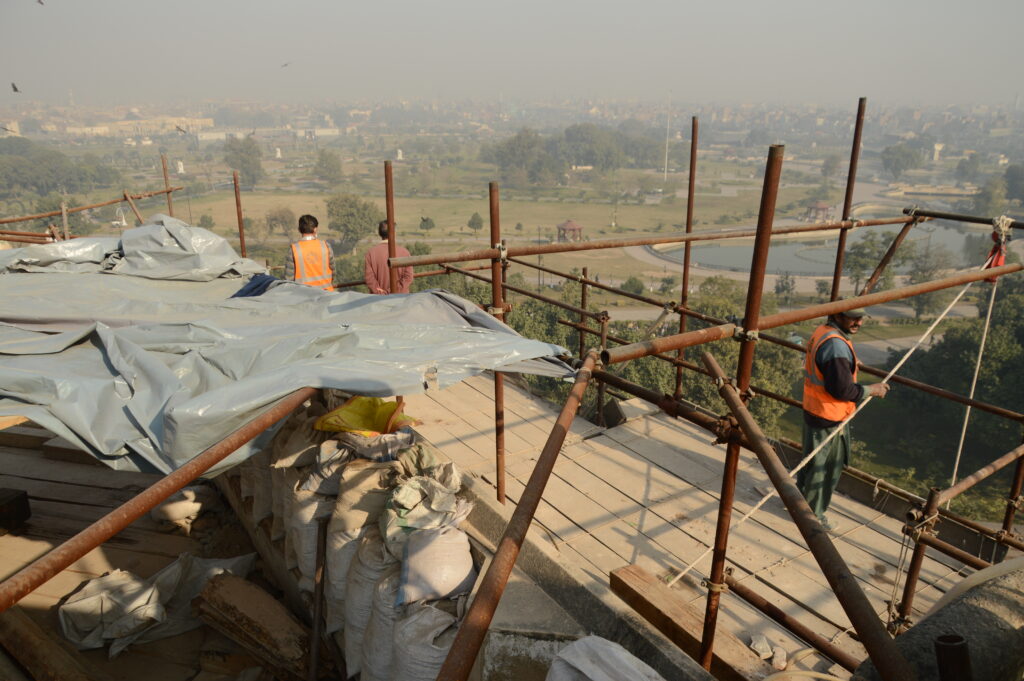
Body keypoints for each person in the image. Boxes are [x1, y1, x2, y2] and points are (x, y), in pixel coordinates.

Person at [798, 307, 889, 531]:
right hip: (829, 415)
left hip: (815, 408)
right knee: (826, 468)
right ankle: (812, 516)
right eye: (853, 318)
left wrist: (845, 368)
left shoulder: (823, 332)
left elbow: (829, 369)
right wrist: (872, 390)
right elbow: (842, 390)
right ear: (838, 316)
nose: (858, 322)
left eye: (861, 318)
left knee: (811, 461)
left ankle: (799, 501)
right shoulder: (836, 345)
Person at [285, 214, 335, 291]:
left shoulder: (294, 249)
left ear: (299, 229)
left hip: (304, 295)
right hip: (326, 293)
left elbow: (289, 279)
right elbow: (333, 270)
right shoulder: (325, 246)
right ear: (315, 229)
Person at [363, 220, 413, 294]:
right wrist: (390, 291)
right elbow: (408, 277)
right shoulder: (404, 252)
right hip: (401, 298)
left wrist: (380, 292)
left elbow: (369, 278)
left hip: (377, 300)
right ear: (394, 233)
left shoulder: (370, 253)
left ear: (380, 233)